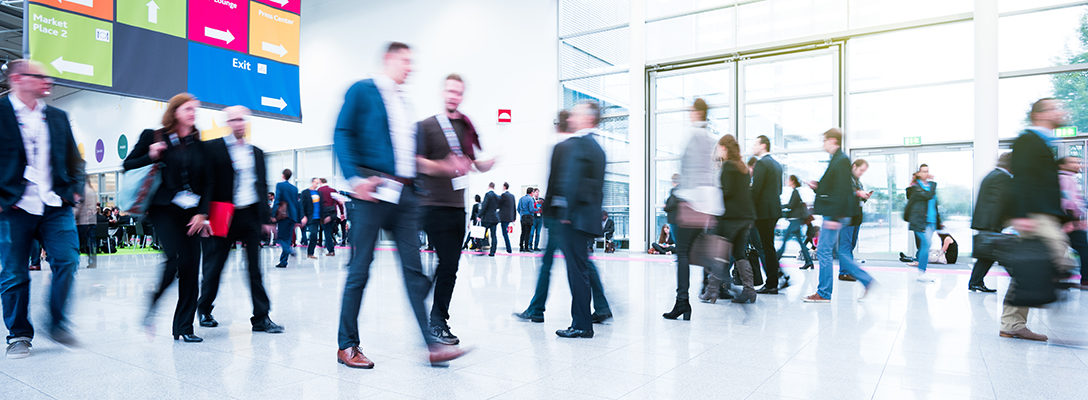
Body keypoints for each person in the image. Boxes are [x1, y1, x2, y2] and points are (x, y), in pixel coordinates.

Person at [333, 42, 466, 368]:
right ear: (389, 59)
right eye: (406, 61)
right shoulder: (363, 90)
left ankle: (432, 345)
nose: (411, 67)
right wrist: (355, 178)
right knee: (359, 270)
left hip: (404, 197)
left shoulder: (403, 101)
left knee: (413, 271)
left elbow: (404, 152)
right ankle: (347, 345)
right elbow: (342, 132)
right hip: (372, 192)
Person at [0, 59, 85, 358]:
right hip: (13, 206)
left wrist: (75, 190)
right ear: (18, 79)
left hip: (55, 204)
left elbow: (76, 159)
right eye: (40, 77)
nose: (47, 81)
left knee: (67, 260)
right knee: (13, 273)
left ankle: (57, 321)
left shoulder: (58, 117)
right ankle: (19, 334)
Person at [415, 72, 493, 346]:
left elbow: (470, 162)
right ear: (443, 92)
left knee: (450, 266)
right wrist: (443, 167)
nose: (453, 96)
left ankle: (436, 319)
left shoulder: (465, 127)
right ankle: (432, 313)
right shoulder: (426, 126)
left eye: (458, 92)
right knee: (444, 263)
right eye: (450, 91)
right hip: (431, 205)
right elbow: (417, 162)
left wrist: (486, 164)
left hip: (456, 207)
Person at [513, 109, 612, 326]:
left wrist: (552, 212)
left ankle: (540, 310)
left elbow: (560, 182)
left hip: (561, 216)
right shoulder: (582, 146)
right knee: (580, 263)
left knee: (562, 265)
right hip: (568, 215)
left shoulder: (566, 147)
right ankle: (600, 306)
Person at [126, 92, 210, 343]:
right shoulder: (153, 136)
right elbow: (127, 165)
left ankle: (184, 327)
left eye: (195, 110)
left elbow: (208, 182)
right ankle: (153, 300)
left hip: (191, 213)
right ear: (175, 112)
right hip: (163, 209)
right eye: (187, 109)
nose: (192, 114)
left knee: (191, 268)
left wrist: (202, 213)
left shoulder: (199, 144)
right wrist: (150, 154)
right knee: (173, 258)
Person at [195, 106, 283, 334]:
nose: (238, 124)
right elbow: (207, 183)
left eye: (241, 119)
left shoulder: (256, 153)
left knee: (255, 268)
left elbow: (262, 186)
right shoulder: (214, 148)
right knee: (215, 266)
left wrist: (266, 218)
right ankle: (204, 308)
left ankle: (261, 317)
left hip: (250, 215)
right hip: (222, 214)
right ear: (227, 122)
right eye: (233, 120)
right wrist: (203, 215)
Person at [1002, 98, 1073, 342]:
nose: (1062, 111)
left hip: (1043, 214)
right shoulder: (1028, 141)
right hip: (1034, 215)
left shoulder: (1043, 143)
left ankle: (1012, 323)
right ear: (1040, 115)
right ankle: (1018, 318)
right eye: (1055, 107)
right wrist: (1021, 215)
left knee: (1031, 266)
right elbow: (1020, 180)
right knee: (1055, 255)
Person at [551, 101, 608, 339]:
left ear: (587, 118)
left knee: (577, 273)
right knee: (582, 271)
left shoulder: (580, 146)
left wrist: (566, 213)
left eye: (577, 114)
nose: (572, 117)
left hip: (575, 219)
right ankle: (583, 321)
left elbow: (572, 182)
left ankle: (582, 324)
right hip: (587, 218)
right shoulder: (597, 148)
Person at [661, 99, 720, 320]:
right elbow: (714, 175)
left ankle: (682, 302)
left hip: (690, 204)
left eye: (690, 111)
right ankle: (712, 284)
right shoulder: (712, 139)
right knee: (701, 250)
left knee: (683, 253)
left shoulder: (694, 138)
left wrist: (679, 196)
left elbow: (688, 174)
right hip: (706, 207)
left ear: (697, 112)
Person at [803, 128, 875, 303]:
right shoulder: (837, 160)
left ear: (833, 140)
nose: (823, 144)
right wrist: (817, 186)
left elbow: (843, 191)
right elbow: (834, 187)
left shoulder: (841, 160)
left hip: (834, 214)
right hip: (834, 213)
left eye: (825, 140)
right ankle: (865, 279)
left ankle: (824, 293)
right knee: (836, 252)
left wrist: (835, 217)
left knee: (824, 251)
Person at [700, 135, 758, 304]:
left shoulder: (728, 167)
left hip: (731, 218)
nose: (717, 151)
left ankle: (711, 291)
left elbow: (726, 193)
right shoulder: (742, 167)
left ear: (724, 148)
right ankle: (749, 290)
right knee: (740, 253)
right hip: (746, 217)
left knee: (719, 254)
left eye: (719, 148)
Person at [969, 153, 1012, 293]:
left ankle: (975, 282)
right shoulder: (1002, 177)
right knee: (992, 254)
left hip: (986, 222)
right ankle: (1020, 281)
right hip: (991, 223)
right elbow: (1000, 202)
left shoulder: (992, 175)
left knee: (986, 255)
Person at [750, 135, 783, 295]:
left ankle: (771, 283)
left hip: (763, 212)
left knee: (766, 247)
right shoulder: (776, 164)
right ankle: (773, 281)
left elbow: (756, 190)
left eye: (755, 144)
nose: (753, 147)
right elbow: (779, 190)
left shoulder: (762, 163)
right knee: (769, 246)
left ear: (763, 145)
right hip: (774, 210)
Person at [905, 164, 940, 282]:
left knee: (926, 245)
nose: (926, 173)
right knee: (925, 244)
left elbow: (935, 204)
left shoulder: (929, 186)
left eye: (927, 171)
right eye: (923, 171)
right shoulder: (917, 188)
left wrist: (939, 222)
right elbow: (928, 195)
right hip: (920, 221)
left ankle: (921, 270)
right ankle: (921, 272)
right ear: (919, 174)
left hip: (931, 221)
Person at [1058, 157, 1088, 291]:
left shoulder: (1067, 178)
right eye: (1073, 162)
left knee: (1062, 248)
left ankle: (1060, 275)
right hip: (1068, 219)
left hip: (1067, 219)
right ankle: (1085, 280)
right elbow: (1067, 201)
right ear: (1062, 165)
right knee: (1083, 249)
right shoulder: (1065, 179)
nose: (1078, 165)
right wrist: (1075, 220)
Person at [840, 159, 872, 281]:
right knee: (845, 246)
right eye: (861, 170)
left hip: (856, 217)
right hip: (847, 216)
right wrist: (858, 193)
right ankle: (844, 272)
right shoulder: (845, 179)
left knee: (851, 244)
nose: (861, 173)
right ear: (854, 166)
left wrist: (865, 197)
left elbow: (858, 198)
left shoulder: (857, 181)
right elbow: (844, 195)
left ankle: (847, 271)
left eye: (864, 171)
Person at [776, 175, 813, 269]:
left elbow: (791, 205)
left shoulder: (795, 192)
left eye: (788, 180)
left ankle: (776, 258)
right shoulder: (796, 191)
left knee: (784, 240)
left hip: (795, 220)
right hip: (796, 220)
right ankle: (809, 261)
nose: (787, 182)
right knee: (800, 242)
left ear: (792, 181)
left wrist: (780, 206)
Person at [274, 169, 302, 268]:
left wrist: (273, 215)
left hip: (283, 215)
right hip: (293, 216)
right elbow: (297, 204)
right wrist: (298, 219)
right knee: (288, 238)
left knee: (280, 238)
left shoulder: (279, 185)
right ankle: (283, 262)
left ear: (283, 175)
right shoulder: (294, 188)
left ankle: (288, 249)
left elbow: (277, 200)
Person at [318, 177, 344, 256]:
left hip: (324, 214)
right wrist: (342, 213)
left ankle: (331, 250)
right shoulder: (333, 190)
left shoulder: (319, 191)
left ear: (320, 182)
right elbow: (339, 202)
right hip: (333, 214)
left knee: (327, 232)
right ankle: (331, 248)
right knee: (329, 231)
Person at [75, 184, 98, 268]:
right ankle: (93, 261)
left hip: (82, 221)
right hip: (91, 221)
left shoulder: (80, 190)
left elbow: (78, 206)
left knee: (78, 243)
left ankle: (76, 262)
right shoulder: (91, 190)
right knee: (91, 243)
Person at [300, 178, 323, 259]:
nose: (317, 185)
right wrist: (303, 216)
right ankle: (310, 252)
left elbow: (321, 205)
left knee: (314, 235)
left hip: (318, 218)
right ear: (312, 182)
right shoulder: (305, 192)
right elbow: (301, 206)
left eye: (318, 183)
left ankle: (310, 253)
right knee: (313, 234)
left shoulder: (319, 193)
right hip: (310, 217)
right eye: (316, 183)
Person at [479, 182, 501, 256]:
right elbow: (498, 207)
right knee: (493, 235)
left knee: (482, 234)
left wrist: (479, 215)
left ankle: (481, 249)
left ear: (489, 186)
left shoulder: (488, 195)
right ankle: (492, 252)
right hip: (494, 218)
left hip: (486, 219)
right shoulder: (497, 196)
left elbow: (484, 206)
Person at [499, 182, 516, 254]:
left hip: (504, 217)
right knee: (505, 233)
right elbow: (514, 207)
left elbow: (499, 205)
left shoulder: (503, 195)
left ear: (504, 187)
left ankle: (509, 249)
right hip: (510, 217)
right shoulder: (512, 196)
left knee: (504, 233)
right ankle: (509, 249)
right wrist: (514, 217)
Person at [518, 187, 536, 252]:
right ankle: (526, 248)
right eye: (533, 192)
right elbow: (531, 209)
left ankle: (521, 247)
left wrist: (522, 214)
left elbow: (518, 209)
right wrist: (537, 210)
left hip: (522, 217)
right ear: (531, 192)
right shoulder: (530, 199)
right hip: (529, 218)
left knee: (523, 232)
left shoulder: (521, 199)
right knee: (528, 233)